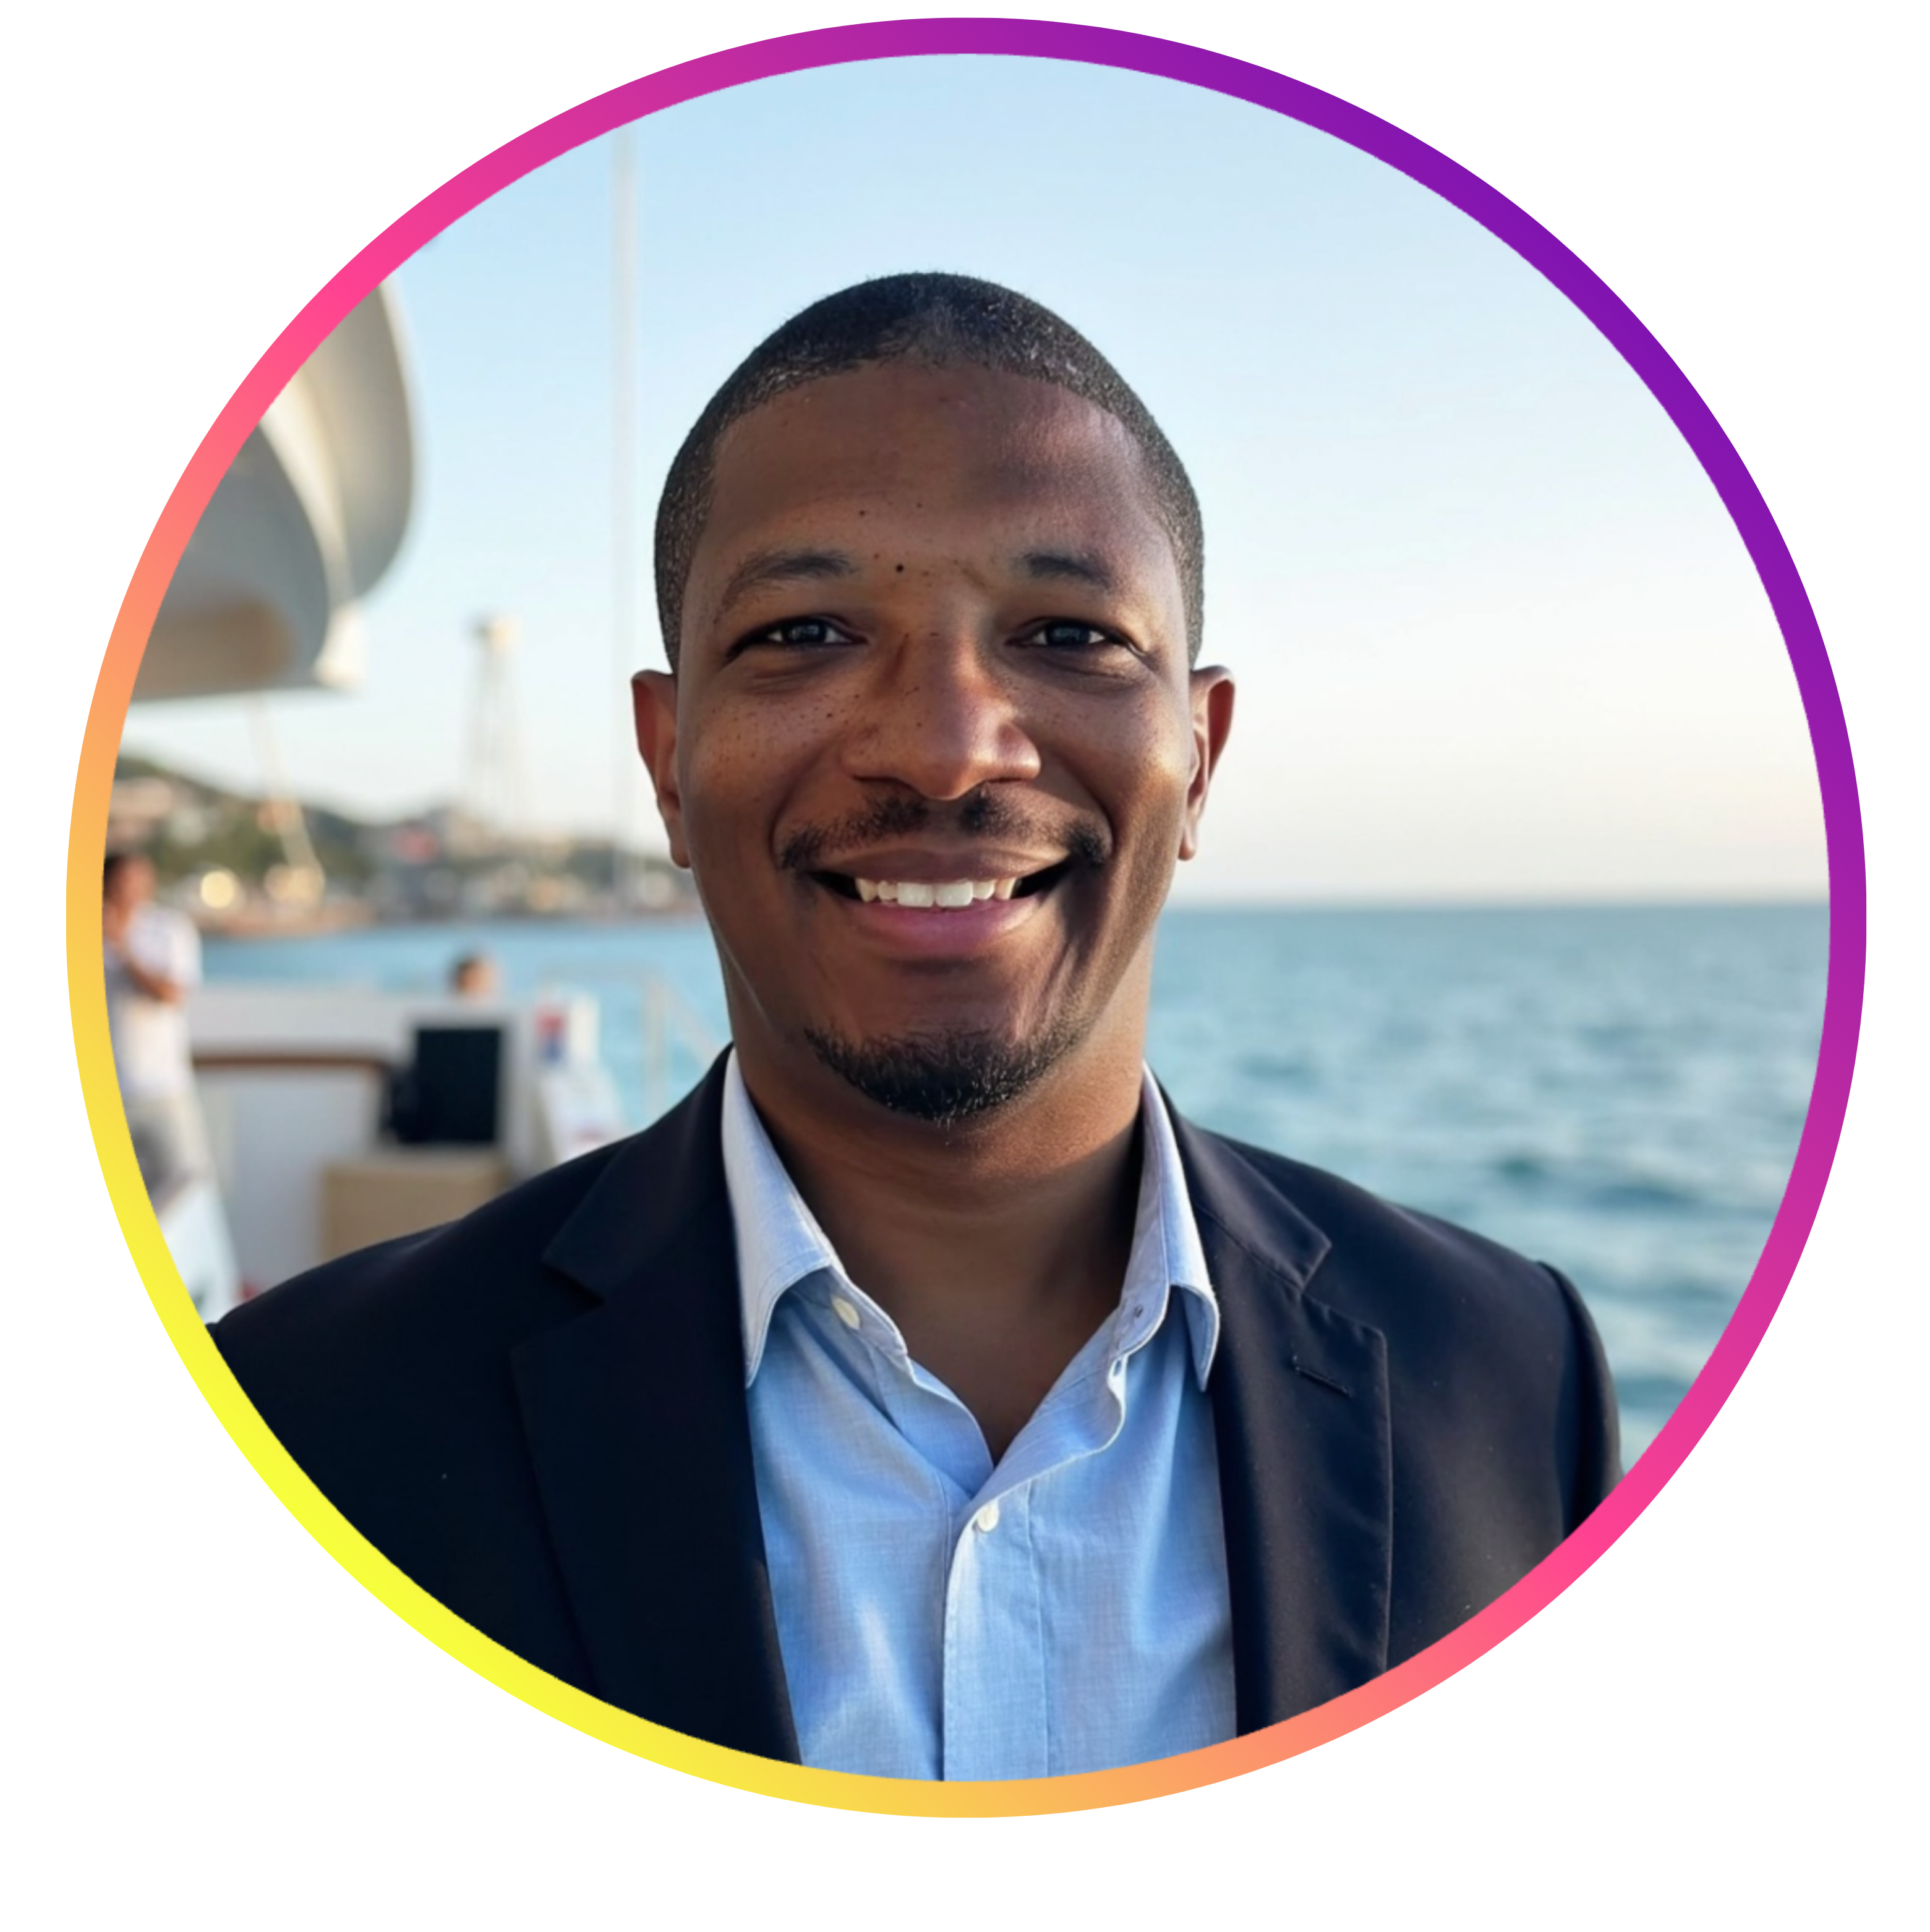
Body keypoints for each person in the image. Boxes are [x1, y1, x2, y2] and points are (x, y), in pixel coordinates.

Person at [214, 273, 1620, 1779]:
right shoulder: (310, 1418)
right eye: (807, 630)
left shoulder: (1503, 1374)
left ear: (1198, 758)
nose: (946, 746)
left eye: (1068, 633)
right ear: (667, 760)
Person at [104, 851, 211, 1202]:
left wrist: (123, 950)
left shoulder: (169, 929)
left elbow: (170, 993)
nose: (133, 890)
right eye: (124, 882)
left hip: (163, 1089)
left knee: (188, 1191)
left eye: (140, 881)